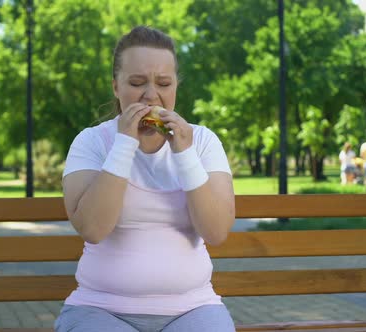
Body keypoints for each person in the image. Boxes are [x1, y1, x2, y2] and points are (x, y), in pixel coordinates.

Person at [54, 26, 236, 332]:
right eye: (137, 83)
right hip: (100, 309)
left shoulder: (203, 142)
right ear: (116, 86)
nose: (151, 95)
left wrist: (184, 154)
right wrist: (124, 144)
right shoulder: (92, 142)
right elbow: (93, 229)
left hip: (192, 307)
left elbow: (216, 231)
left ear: (176, 85)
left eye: (163, 83)